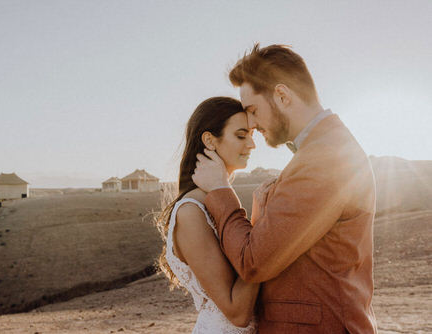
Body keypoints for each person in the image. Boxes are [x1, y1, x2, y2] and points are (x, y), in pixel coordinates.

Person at [192, 44, 377, 333]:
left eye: (253, 111)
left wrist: (219, 188)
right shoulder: (321, 150)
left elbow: (253, 262)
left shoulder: (324, 158)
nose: (252, 124)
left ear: (282, 95)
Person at [157, 96, 259, 333]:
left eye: (252, 135)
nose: (252, 145)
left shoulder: (217, 201)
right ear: (210, 140)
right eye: (241, 136)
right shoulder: (191, 212)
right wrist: (264, 240)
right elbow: (237, 312)